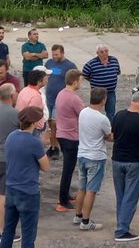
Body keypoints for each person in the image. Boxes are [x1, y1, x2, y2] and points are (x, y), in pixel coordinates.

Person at [0, 107, 49, 248]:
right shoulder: (34, 143)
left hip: (11, 189)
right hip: (28, 192)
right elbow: (46, 167)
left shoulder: (12, 136)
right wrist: (43, 144)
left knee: (8, 230)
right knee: (28, 234)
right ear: (33, 123)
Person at [111, 90, 139, 242]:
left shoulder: (118, 116)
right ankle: (122, 230)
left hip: (117, 160)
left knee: (121, 195)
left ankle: (121, 224)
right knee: (130, 196)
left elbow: (113, 136)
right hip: (135, 161)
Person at [74, 87, 112, 231]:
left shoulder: (83, 112)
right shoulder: (102, 118)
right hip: (96, 156)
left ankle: (78, 215)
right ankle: (86, 221)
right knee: (91, 190)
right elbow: (109, 136)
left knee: (82, 187)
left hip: (82, 154)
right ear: (103, 100)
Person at [54, 69, 84, 212]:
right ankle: (63, 200)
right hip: (71, 137)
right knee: (68, 170)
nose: (81, 83)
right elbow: (83, 115)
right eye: (80, 80)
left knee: (68, 169)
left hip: (61, 134)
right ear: (75, 82)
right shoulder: (74, 98)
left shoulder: (61, 94)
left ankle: (65, 195)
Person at [44, 44, 77, 160]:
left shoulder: (69, 65)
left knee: (55, 124)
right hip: (49, 98)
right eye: (53, 54)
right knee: (50, 124)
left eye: (56, 54)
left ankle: (57, 147)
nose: (54, 56)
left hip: (60, 100)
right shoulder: (49, 63)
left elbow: (75, 81)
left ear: (62, 53)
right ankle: (53, 147)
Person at [82, 44, 121, 123]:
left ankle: (110, 130)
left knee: (111, 113)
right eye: (102, 52)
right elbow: (85, 75)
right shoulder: (91, 64)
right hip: (97, 93)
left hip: (110, 92)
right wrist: (94, 81)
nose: (104, 53)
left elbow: (117, 72)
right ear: (97, 53)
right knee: (94, 112)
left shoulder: (114, 60)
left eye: (106, 51)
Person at [0, 83, 19, 240]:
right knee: (3, 195)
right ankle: (3, 231)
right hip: (6, 159)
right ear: (12, 96)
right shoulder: (15, 114)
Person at [15, 67, 51, 132]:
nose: (47, 81)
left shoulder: (24, 90)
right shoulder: (35, 96)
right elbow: (34, 115)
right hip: (34, 129)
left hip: (22, 124)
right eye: (45, 79)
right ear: (39, 82)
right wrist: (40, 127)